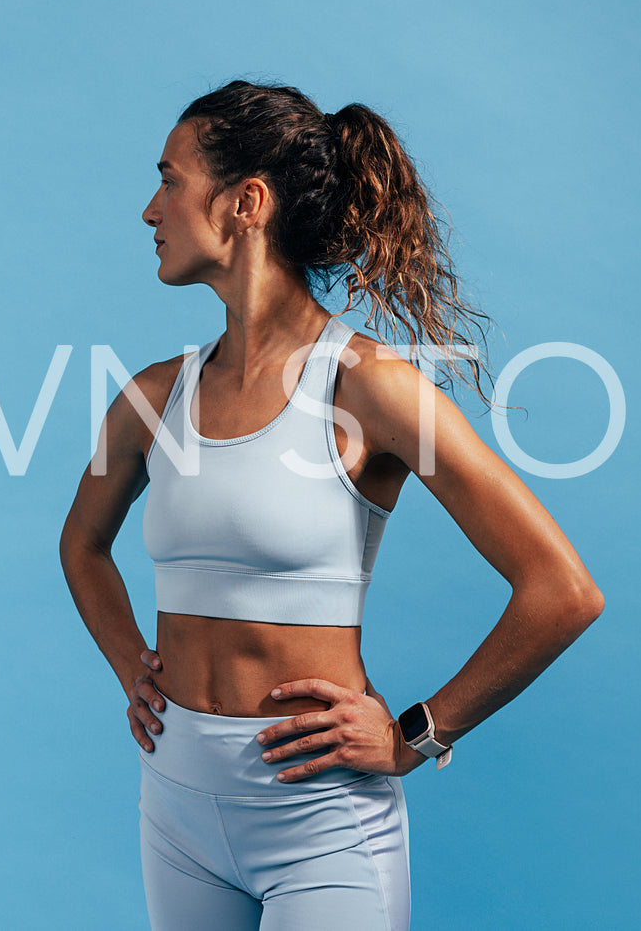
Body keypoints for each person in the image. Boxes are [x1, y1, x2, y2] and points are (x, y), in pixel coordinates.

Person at [59, 80, 603, 930]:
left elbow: (561, 590)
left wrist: (416, 734)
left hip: (319, 820)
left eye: (167, 180)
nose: (148, 210)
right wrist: (131, 660)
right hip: (173, 802)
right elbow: (81, 547)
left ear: (246, 202)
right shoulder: (148, 399)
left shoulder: (370, 389)